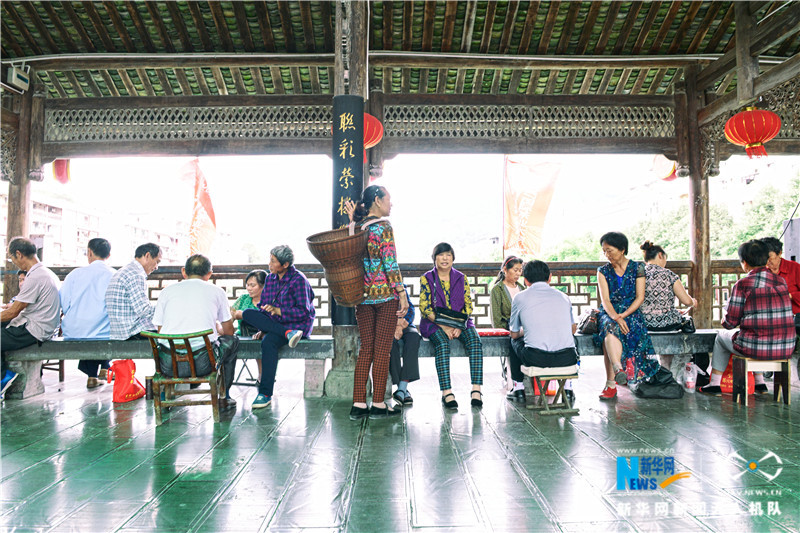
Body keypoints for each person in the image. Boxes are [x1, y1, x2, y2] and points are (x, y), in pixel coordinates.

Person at [699, 240, 796, 395]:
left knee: (721, 337)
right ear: (766, 260)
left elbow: (730, 323)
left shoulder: (743, 284)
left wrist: (726, 316)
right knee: (756, 333)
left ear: (744, 263)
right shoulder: (781, 282)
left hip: (755, 347)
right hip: (786, 347)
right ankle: (760, 383)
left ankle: (714, 384)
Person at [345, 185, 409, 420]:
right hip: (385, 298)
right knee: (382, 350)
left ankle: (358, 404)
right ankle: (379, 403)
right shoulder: (383, 227)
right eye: (388, 199)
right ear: (377, 200)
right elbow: (389, 261)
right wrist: (401, 292)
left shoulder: (357, 227)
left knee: (366, 350)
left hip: (362, 298)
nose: (390, 204)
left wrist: (352, 220)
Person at [152, 254, 239, 407]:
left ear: (184, 272)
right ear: (209, 274)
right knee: (232, 341)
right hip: (203, 364)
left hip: (168, 364)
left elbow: (160, 330)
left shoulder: (167, 292)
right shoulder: (217, 292)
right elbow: (229, 331)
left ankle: (167, 394)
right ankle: (224, 396)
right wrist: (217, 329)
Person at [241, 246, 315, 410]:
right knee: (247, 313)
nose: (269, 264)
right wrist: (265, 327)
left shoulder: (299, 280)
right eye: (270, 260)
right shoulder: (271, 279)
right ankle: (287, 334)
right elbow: (264, 306)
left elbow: (304, 312)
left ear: (285, 264)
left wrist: (279, 311)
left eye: (273, 261)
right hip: (280, 327)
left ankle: (265, 393)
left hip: (298, 325)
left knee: (268, 343)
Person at [595, 232, 659, 400]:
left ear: (622, 249)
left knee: (616, 330)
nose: (606, 255)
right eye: (604, 251)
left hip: (631, 311)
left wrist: (623, 314)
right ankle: (618, 370)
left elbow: (640, 297)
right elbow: (606, 300)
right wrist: (616, 316)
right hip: (610, 312)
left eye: (610, 250)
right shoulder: (602, 271)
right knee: (609, 327)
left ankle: (611, 383)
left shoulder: (638, 268)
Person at [420, 242, 484, 409]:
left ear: (453, 258)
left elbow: (468, 306)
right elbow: (425, 307)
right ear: (434, 258)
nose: (445, 258)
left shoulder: (461, 278)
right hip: (434, 322)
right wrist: (444, 326)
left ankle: (476, 390)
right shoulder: (427, 278)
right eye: (441, 255)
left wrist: (459, 325)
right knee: (442, 343)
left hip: (460, 321)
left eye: (448, 254)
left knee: (475, 341)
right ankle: (446, 392)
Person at [1, 238, 61, 398]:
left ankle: (4, 378)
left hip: (34, 330)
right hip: (43, 327)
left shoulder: (35, 277)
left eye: (12, 258)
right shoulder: (46, 273)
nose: (13, 262)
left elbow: (13, 312)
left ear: (19, 254)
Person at [508, 260, 578, 394]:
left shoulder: (519, 298)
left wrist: (525, 332)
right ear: (550, 277)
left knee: (512, 341)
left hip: (536, 358)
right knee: (572, 340)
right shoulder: (564, 297)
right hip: (567, 358)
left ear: (526, 280)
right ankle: (568, 388)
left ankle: (518, 388)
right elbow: (572, 330)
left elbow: (514, 334)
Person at [60, 238, 116, 388]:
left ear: (89, 252)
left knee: (90, 329)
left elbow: (64, 303)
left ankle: (93, 376)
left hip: (74, 330)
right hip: (103, 333)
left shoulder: (74, 274)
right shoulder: (114, 275)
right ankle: (105, 366)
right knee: (103, 327)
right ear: (109, 255)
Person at [639, 240, 697, 369]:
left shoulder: (638, 275)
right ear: (660, 255)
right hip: (667, 323)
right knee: (685, 321)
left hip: (643, 322)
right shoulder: (669, 275)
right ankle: (669, 369)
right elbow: (686, 301)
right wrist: (693, 302)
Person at [105, 243, 161, 341]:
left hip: (119, 332)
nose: (156, 267)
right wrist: (166, 310)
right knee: (172, 334)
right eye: (157, 261)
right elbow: (144, 310)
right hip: (132, 332)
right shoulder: (136, 275)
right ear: (147, 256)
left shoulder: (125, 270)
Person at [489, 255, 526, 401]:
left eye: (520, 270)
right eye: (515, 270)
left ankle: (522, 383)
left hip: (524, 329)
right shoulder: (497, 290)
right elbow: (496, 319)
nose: (518, 274)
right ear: (505, 269)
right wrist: (511, 330)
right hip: (508, 330)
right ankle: (515, 384)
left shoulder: (522, 288)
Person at [761, 236, 800, 335]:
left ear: (780, 253)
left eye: (770, 258)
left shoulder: (795, 268)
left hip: (795, 319)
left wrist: (790, 296)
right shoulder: (762, 272)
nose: (767, 262)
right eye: (764, 259)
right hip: (770, 318)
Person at [389, 287, 420, 406]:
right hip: (387, 325)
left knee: (414, 337)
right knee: (389, 343)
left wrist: (402, 325)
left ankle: (402, 388)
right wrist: (395, 324)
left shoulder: (401, 287)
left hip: (404, 323)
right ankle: (402, 389)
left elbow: (411, 309)